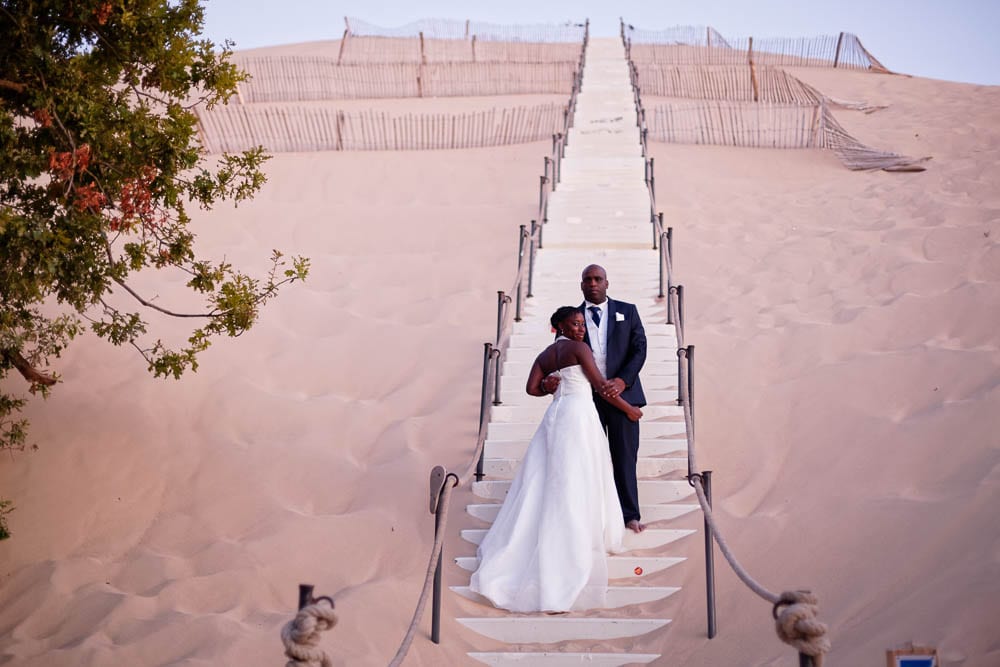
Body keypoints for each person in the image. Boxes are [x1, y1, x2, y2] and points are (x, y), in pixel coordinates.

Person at [469, 307, 642, 613]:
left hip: (555, 415)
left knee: (552, 474)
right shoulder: (579, 349)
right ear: (559, 325)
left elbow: (531, 388)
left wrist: (548, 387)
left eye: (581, 324)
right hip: (578, 416)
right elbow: (601, 385)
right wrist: (629, 409)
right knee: (578, 474)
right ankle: (575, 538)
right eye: (574, 324)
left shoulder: (546, 355)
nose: (580, 329)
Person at [541, 264, 648, 533]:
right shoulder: (572, 319)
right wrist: (547, 380)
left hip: (624, 393)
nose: (592, 283)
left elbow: (639, 349)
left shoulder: (628, 311)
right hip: (587, 399)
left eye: (598, 279)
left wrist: (623, 380)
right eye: (587, 280)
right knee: (589, 457)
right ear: (581, 285)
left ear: (607, 283)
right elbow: (559, 353)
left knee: (624, 455)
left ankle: (629, 515)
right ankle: (593, 516)